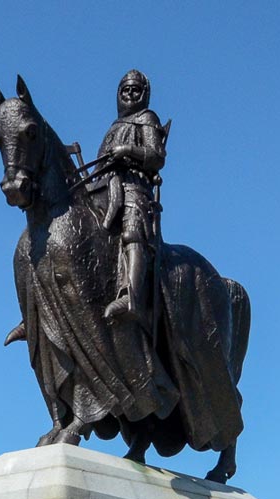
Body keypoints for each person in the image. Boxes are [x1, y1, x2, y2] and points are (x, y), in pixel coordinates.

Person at [95, 69, 166, 325]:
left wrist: (128, 150)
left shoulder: (147, 118)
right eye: (125, 90)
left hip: (135, 188)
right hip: (107, 188)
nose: (130, 94)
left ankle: (130, 295)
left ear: (144, 94)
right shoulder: (113, 128)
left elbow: (157, 156)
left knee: (132, 228)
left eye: (135, 90)